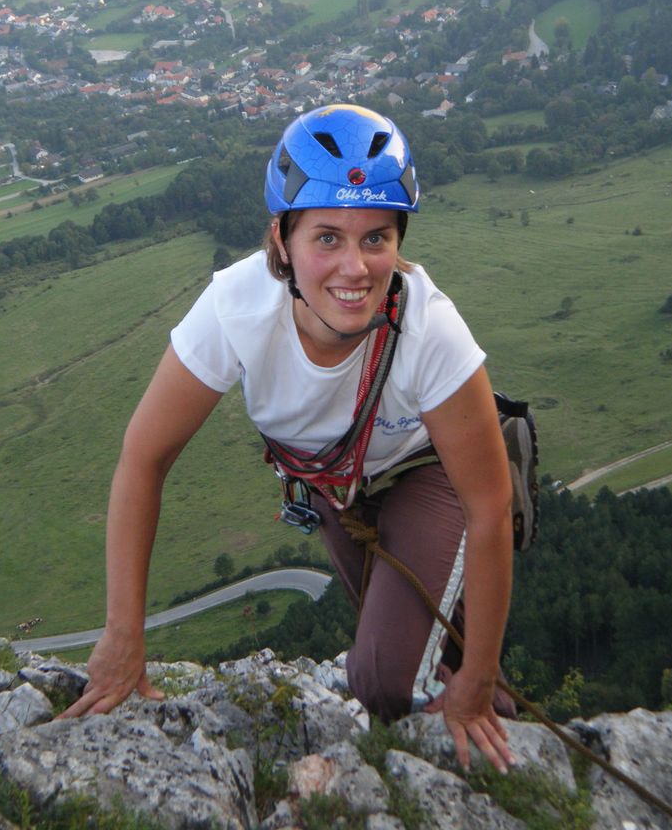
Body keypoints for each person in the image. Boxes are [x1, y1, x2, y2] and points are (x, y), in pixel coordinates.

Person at [59, 104, 517, 773]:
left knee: (384, 676)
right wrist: (124, 635)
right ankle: (460, 737)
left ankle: (484, 733)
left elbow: (489, 507)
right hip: (335, 490)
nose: (355, 268)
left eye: (376, 238)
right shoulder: (238, 308)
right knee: (415, 648)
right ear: (281, 239)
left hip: (427, 473)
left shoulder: (430, 332)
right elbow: (144, 456)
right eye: (327, 238)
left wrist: (479, 680)